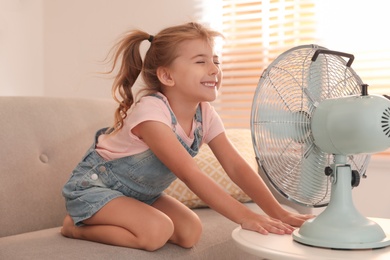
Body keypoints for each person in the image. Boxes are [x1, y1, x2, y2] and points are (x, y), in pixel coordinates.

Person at [61, 22, 313, 251]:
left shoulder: (206, 115)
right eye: (201, 61)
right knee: (156, 231)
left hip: (139, 195)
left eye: (216, 61)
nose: (214, 69)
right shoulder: (151, 113)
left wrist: (278, 212)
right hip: (95, 189)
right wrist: (244, 216)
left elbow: (236, 167)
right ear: (167, 76)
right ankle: (75, 227)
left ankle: (128, 216)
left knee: (190, 232)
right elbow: (190, 174)